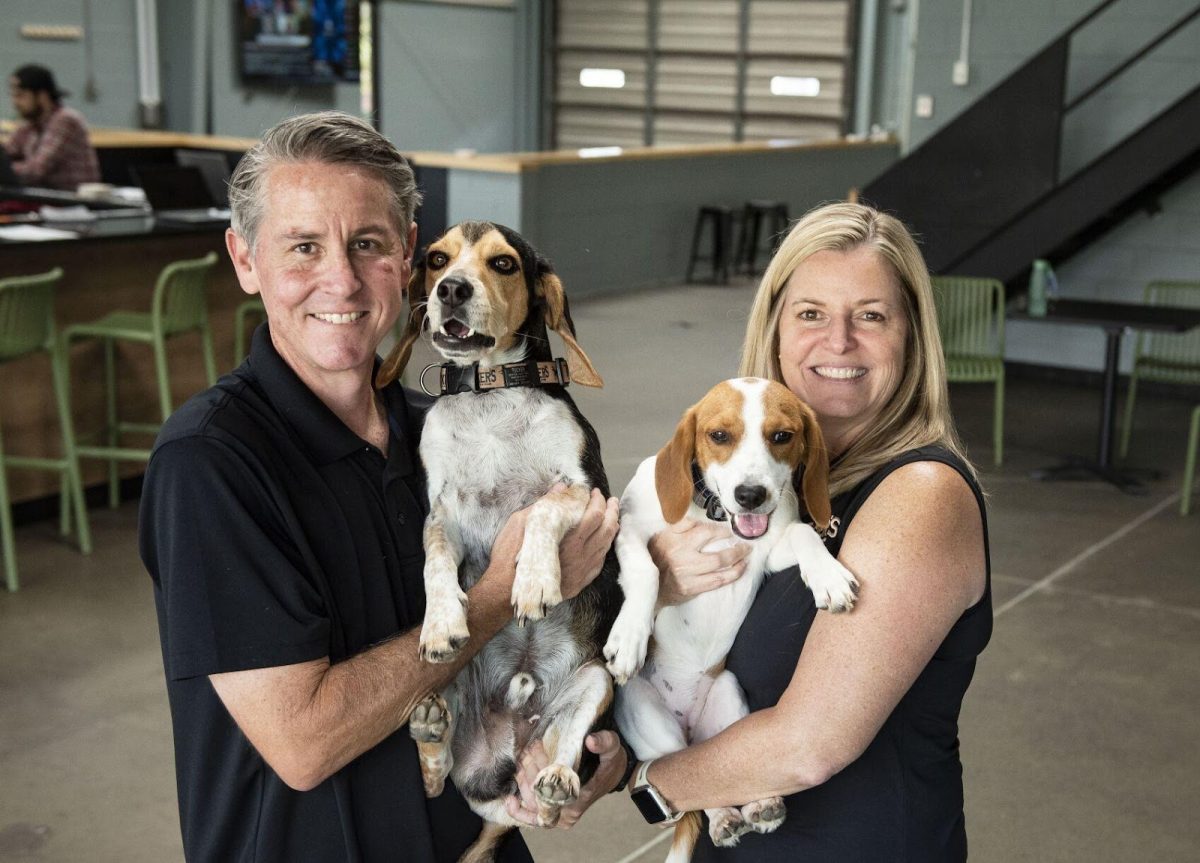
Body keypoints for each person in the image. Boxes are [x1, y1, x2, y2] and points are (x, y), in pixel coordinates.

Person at [138, 110, 622, 862]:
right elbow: (303, 741)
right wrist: (492, 601)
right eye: (303, 247)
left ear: (406, 260)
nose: (341, 279)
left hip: (478, 840)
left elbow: (572, 633)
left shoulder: (441, 427)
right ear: (244, 259)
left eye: (367, 245)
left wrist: (593, 754)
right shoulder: (210, 465)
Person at [607, 201, 992, 860]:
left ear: (913, 336)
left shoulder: (921, 494)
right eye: (811, 313)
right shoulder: (769, 480)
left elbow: (808, 745)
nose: (837, 341)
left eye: (871, 316)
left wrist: (642, 780)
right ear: (776, 327)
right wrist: (659, 585)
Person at [5, 64, 100, 190]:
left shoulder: (65, 120)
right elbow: (7, 152)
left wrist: (6, 170)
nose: (15, 102)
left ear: (42, 96)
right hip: (46, 199)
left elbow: (36, 170)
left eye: (21, 96)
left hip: (70, 202)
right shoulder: (29, 125)